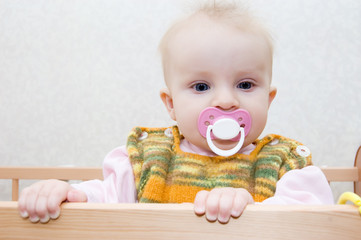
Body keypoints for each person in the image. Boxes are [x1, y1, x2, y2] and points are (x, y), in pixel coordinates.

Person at [18, 1, 334, 224]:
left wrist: (253, 210)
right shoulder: (148, 162)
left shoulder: (285, 166)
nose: (225, 101)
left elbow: (316, 219)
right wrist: (69, 193)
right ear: (170, 104)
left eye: (246, 84)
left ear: (269, 98)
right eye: (200, 87)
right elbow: (106, 200)